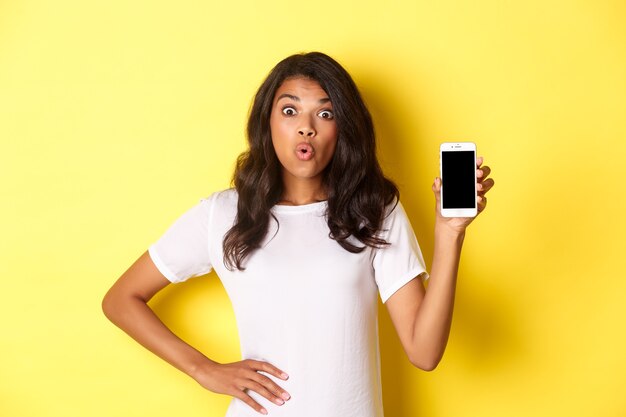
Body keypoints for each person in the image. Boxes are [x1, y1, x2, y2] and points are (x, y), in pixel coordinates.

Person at [102, 51, 494, 417]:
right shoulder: (223, 213)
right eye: (290, 111)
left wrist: (450, 232)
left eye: (325, 114)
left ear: (343, 128)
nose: (306, 128)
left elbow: (424, 353)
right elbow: (120, 300)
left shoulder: (374, 210)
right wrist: (203, 369)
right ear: (267, 122)